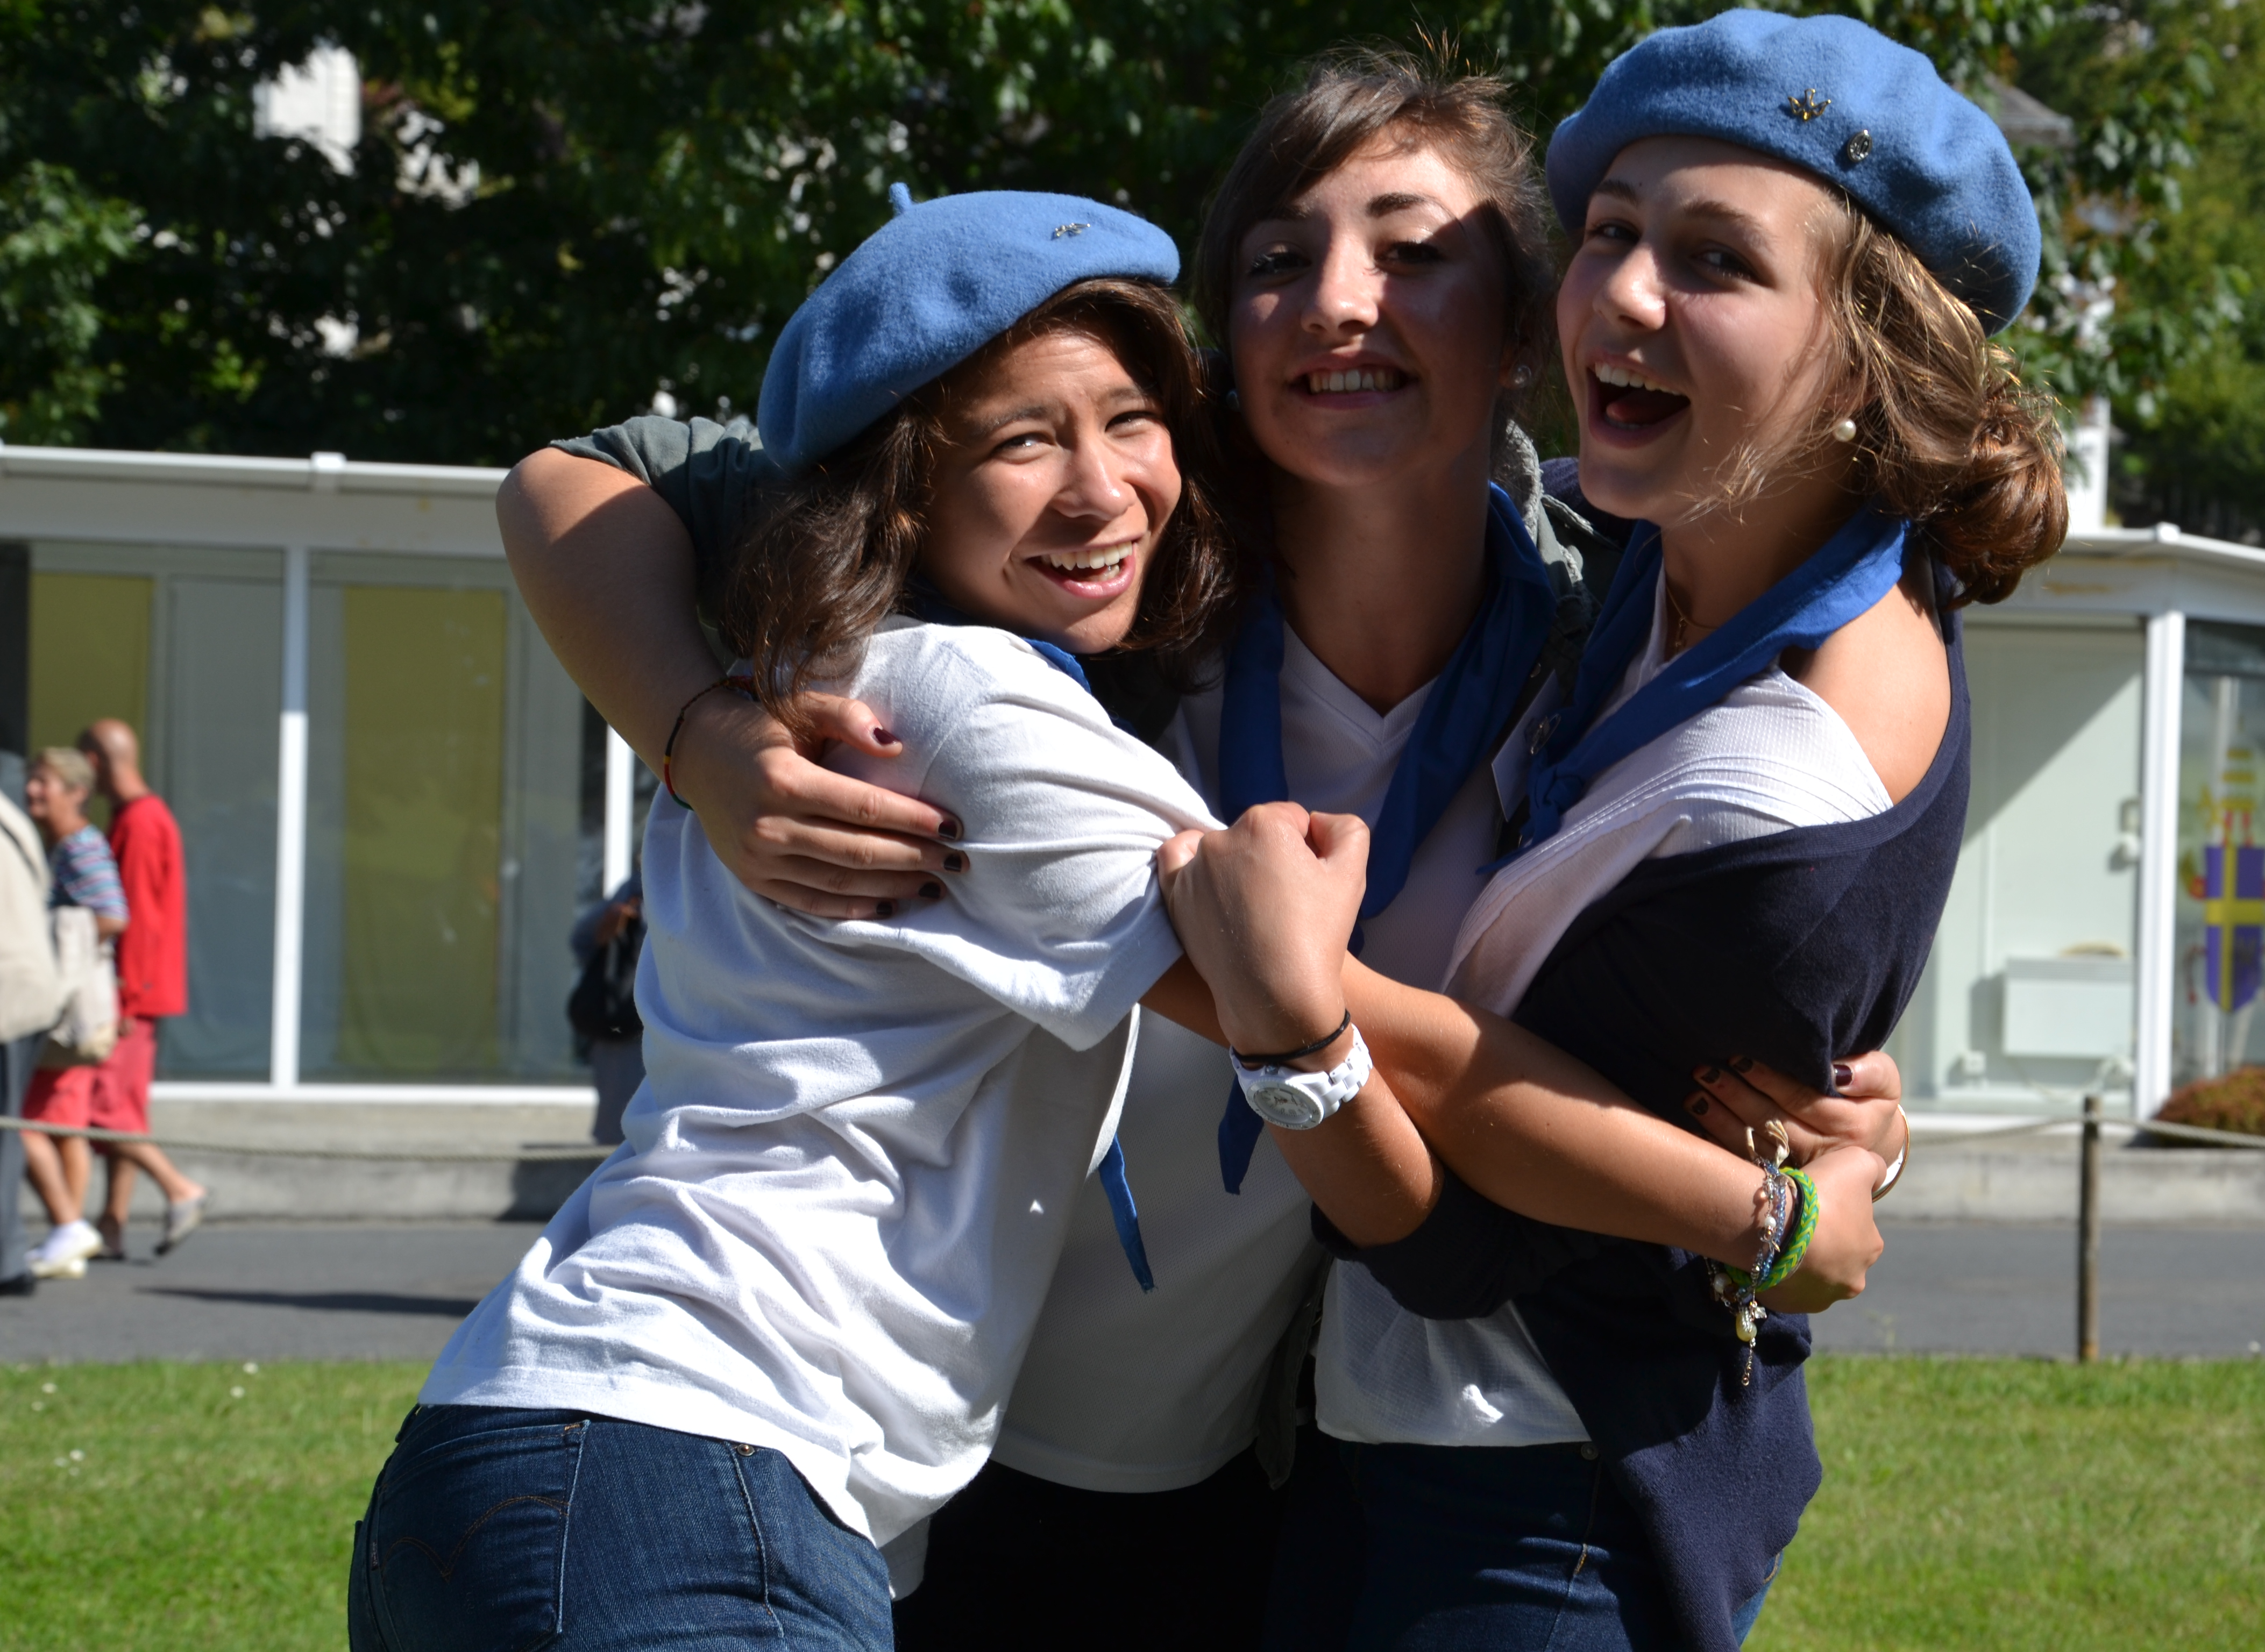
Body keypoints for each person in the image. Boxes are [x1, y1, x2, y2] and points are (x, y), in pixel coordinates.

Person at [492, 49, 1902, 1649]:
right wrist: (703, 734)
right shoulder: (1103, 563)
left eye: (1414, 252)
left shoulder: (1597, 635)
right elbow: (584, 476)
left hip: (1235, 1471)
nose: (1339, 300)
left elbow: (1736, 894)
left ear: (1525, 329)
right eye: (1279, 258)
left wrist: (1823, 1110)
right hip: (920, 1449)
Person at [1158, 14, 2064, 1647]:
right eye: (1613, 233)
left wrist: (1245, 959)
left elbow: (1470, 1207)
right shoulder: (1648, 549)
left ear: (1869, 357)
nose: (1627, 296)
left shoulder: (1787, 774)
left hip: (1547, 1500)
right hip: (1358, 1450)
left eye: (1716, 259)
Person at [351, 187, 1258, 1652]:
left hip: (523, 1444)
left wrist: (697, 726)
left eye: (1133, 420)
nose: (1101, 491)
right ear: (903, 493)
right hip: (695, 1470)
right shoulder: (973, 711)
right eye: (1024, 441)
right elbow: (1288, 999)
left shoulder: (830, 674)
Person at [77, 719, 208, 1258]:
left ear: (95, 762)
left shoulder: (140, 822)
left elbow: (134, 917)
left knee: (106, 1111)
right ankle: (112, 1222)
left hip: (134, 992)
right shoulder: (141, 817)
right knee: (125, 1109)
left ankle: (180, 1189)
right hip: (143, 990)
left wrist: (126, 994)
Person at [18, 746, 129, 1279]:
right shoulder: (62, 845)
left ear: (77, 792)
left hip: (66, 1011)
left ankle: (68, 1226)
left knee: (25, 1123)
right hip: (67, 1012)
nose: (32, 790)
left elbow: (113, 915)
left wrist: (59, 962)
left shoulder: (81, 847)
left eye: (45, 781)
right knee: (63, 1127)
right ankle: (68, 1232)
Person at [0, 774, 65, 1295]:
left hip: (9, 992)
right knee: (7, 1128)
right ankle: (8, 1256)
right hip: (30, 986)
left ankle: (7, 1257)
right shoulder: (11, 815)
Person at [568, 871, 645, 1146]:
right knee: (623, 1139)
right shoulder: (643, 885)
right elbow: (582, 940)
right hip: (628, 1030)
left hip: (639, 1028)